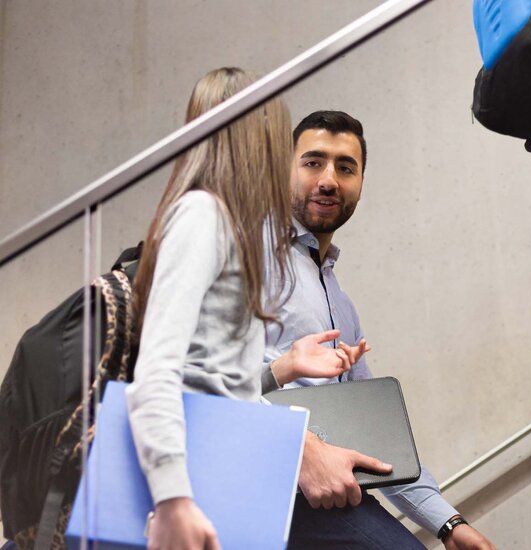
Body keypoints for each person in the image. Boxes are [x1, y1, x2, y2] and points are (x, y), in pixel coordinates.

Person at [127, 68, 363, 549]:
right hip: (198, 483)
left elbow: (215, 381)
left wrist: (282, 368)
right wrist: (173, 499)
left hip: (226, 478)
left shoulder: (223, 225)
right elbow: (157, 373)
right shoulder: (203, 216)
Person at [261, 110, 497, 550]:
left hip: (333, 492)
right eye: (313, 162)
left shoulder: (340, 304)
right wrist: (297, 444)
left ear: (361, 182)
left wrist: (448, 524)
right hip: (267, 490)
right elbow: (201, 378)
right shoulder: (247, 256)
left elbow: (377, 438)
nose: (329, 180)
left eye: (345, 167)